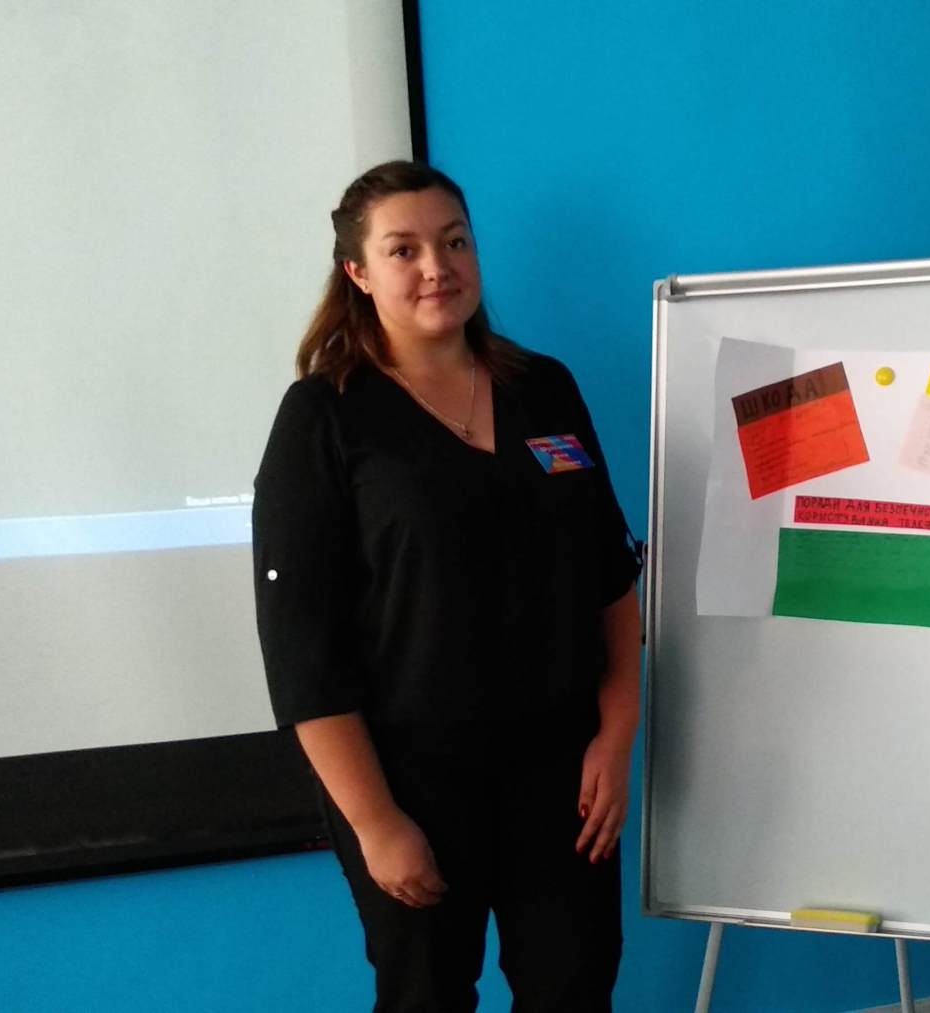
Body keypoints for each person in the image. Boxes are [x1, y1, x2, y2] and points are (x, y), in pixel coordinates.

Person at [251, 160, 642, 1011]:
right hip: (410, 784)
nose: (438, 267)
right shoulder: (324, 417)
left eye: (455, 241)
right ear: (358, 272)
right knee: (426, 996)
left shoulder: (544, 389)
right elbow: (301, 652)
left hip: (564, 777)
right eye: (404, 249)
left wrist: (617, 739)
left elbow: (612, 580)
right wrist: (377, 823)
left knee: (576, 989)